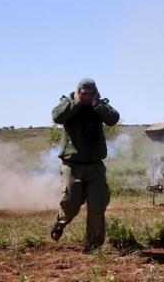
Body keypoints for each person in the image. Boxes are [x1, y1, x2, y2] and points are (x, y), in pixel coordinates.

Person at [50, 78, 120, 251]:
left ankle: (93, 245)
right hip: (72, 166)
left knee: (97, 205)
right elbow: (57, 116)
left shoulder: (99, 107)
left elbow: (113, 118)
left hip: (95, 166)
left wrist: (97, 104)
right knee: (71, 203)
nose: (87, 97)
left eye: (90, 93)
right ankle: (61, 221)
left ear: (95, 93)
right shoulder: (67, 103)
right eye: (83, 93)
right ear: (77, 92)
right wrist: (76, 103)